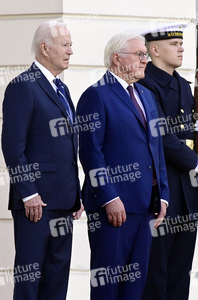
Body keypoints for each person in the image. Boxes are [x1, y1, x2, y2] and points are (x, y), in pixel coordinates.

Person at [77, 33, 169, 300]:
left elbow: (157, 149)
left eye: (146, 55)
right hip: (113, 210)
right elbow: (91, 154)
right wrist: (109, 198)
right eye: (139, 54)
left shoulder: (146, 96)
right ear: (117, 58)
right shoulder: (96, 96)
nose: (145, 60)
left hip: (145, 207)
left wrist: (163, 195)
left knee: (134, 289)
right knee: (109, 288)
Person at [1, 20, 83, 300]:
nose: (71, 51)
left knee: (56, 281)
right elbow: (13, 148)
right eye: (65, 45)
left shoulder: (63, 90)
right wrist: (28, 194)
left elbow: (66, 149)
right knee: (30, 281)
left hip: (64, 202)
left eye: (71, 45)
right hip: (36, 205)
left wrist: (77, 193)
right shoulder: (23, 86)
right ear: (45, 48)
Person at [138, 23, 198, 300]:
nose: (181, 48)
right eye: (174, 44)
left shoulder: (183, 86)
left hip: (186, 189)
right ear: (154, 49)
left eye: (182, 43)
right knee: (157, 272)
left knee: (180, 271)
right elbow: (161, 136)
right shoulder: (146, 85)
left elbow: (182, 132)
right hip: (162, 189)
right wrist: (194, 161)